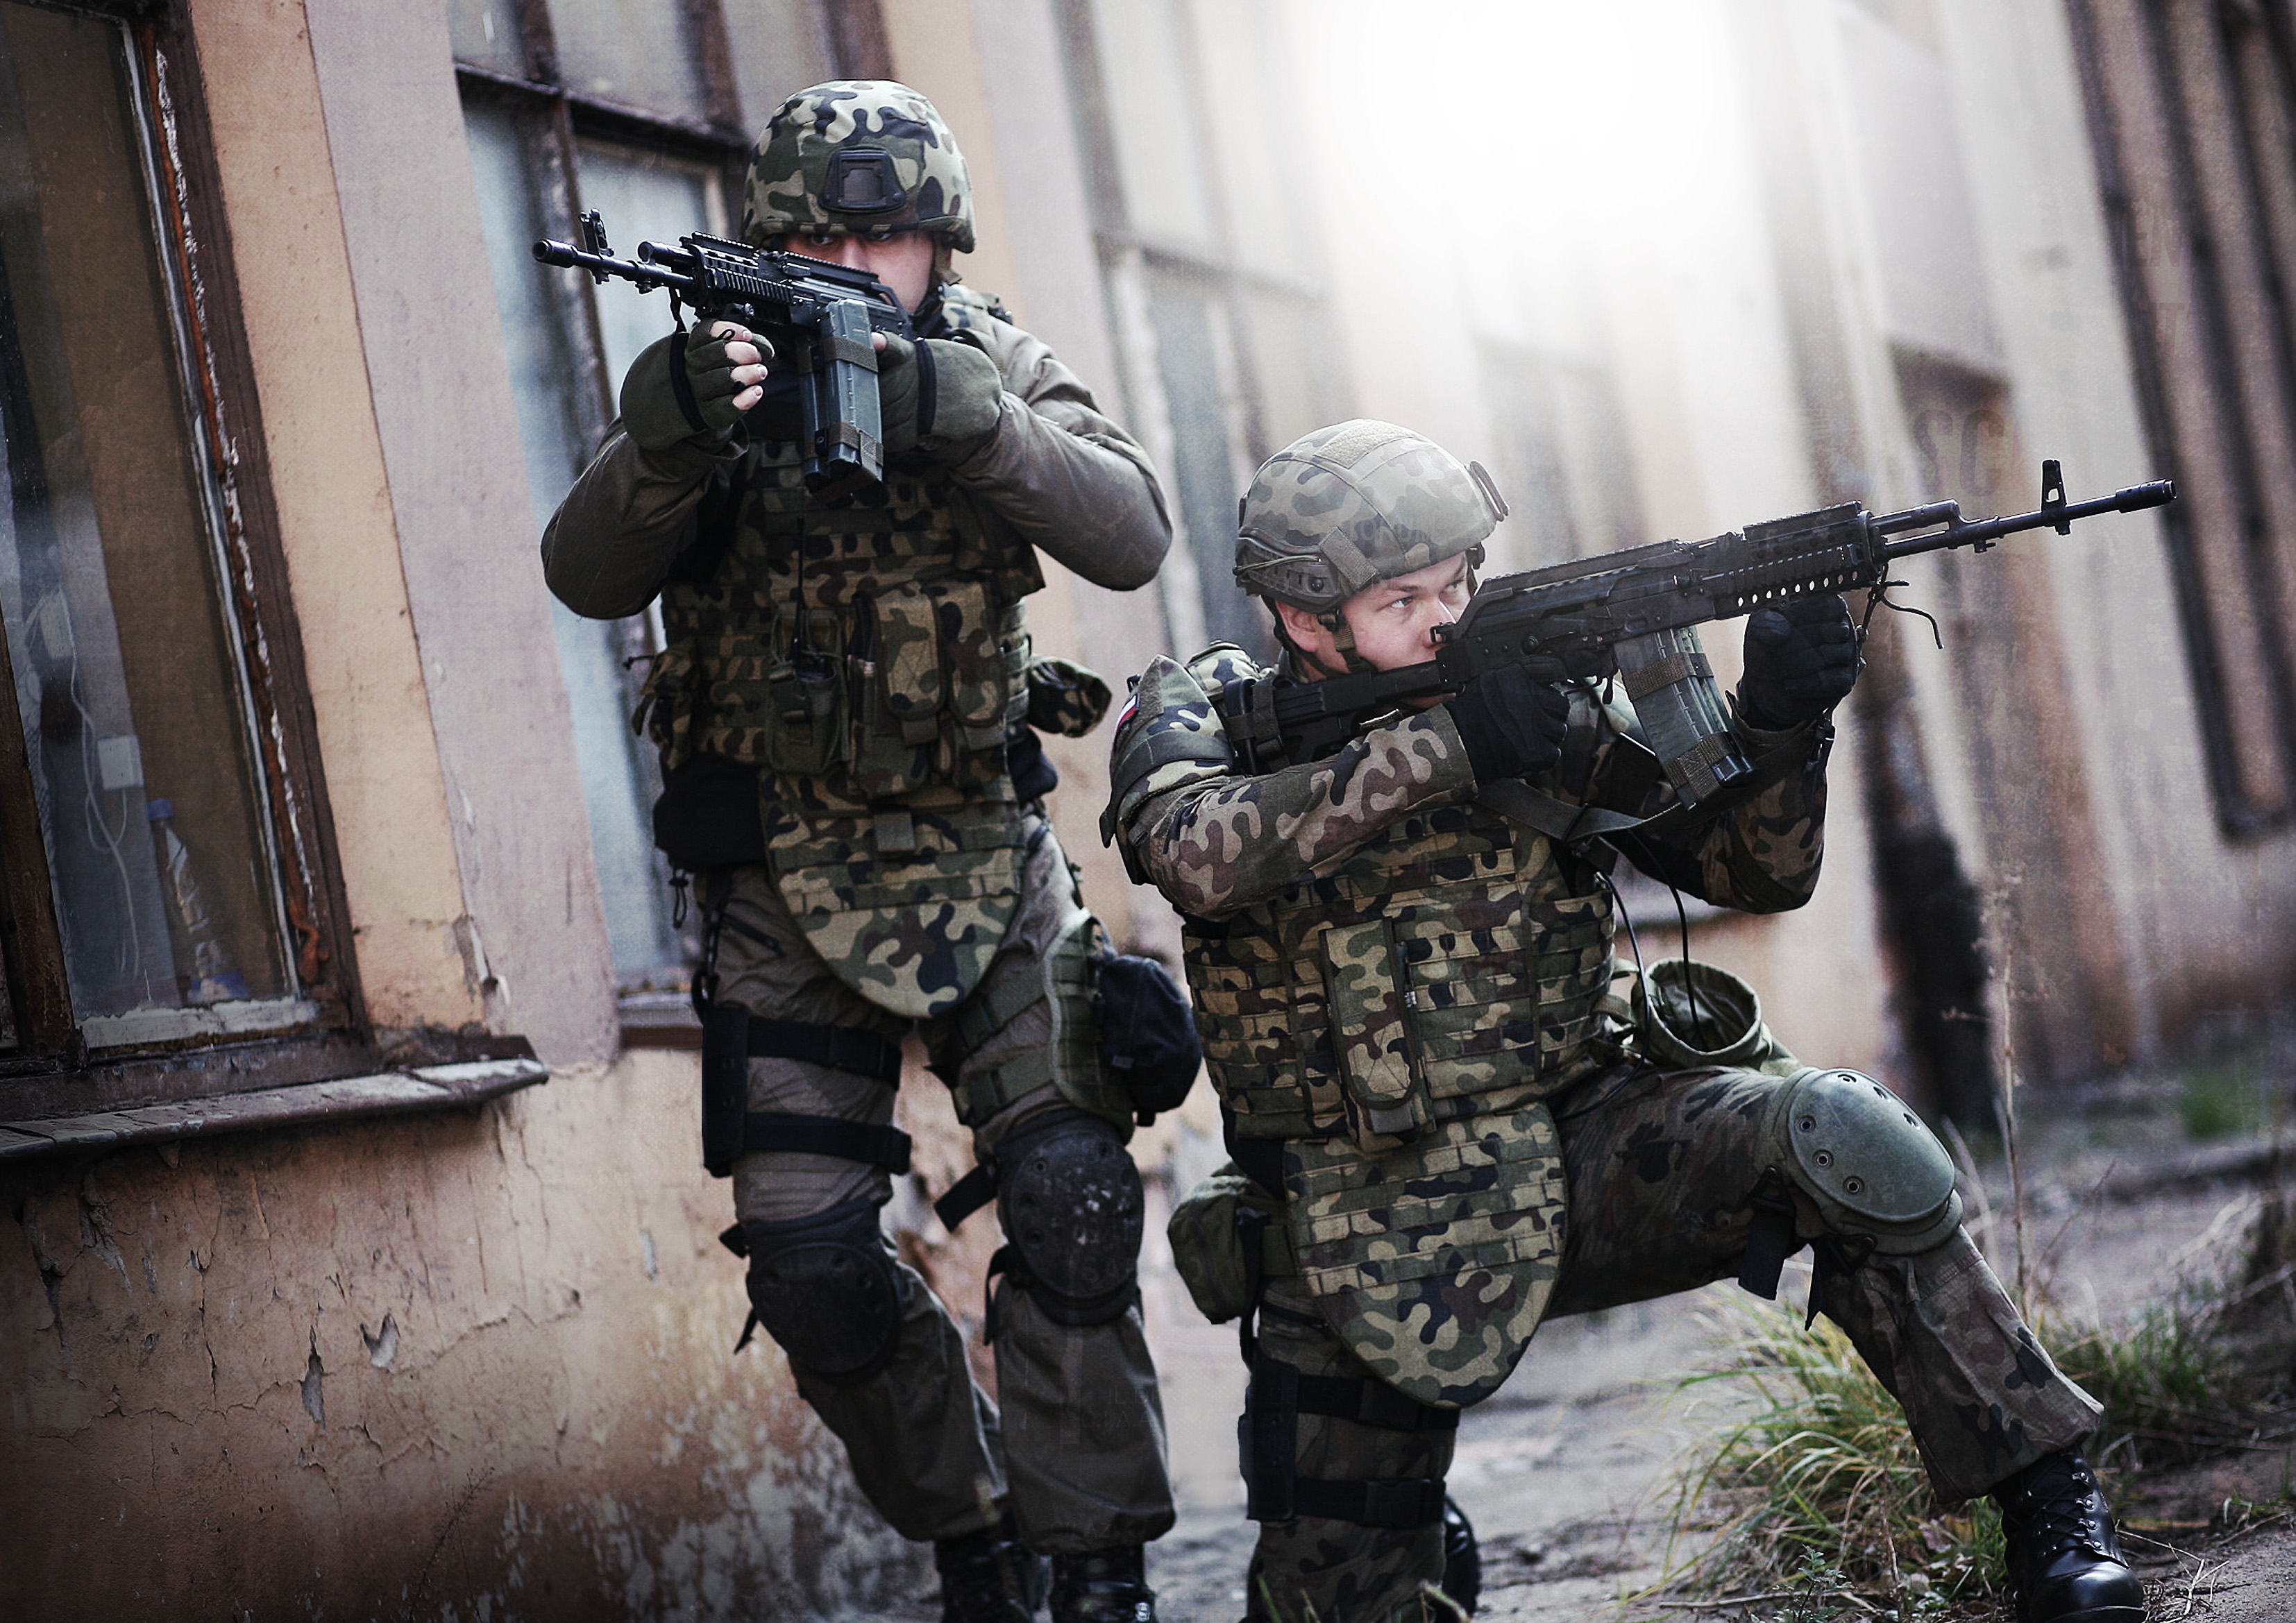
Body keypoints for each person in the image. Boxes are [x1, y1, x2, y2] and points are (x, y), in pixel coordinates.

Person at [1103, 420, 2143, 1623]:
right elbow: (1193, 853)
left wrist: (1779, 724)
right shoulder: (1204, 710)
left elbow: (1750, 873)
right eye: (1403, 602)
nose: (1446, 621)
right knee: (1333, 1604)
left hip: (1588, 1144)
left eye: (1459, 584)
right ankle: (1413, 1538)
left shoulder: (1531, 704)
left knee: (1840, 1136)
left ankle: (2052, 1513)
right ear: (1302, 618)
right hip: (1358, 1214)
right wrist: (1448, 747)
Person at [543, 80, 1174, 1623]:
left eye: (879, 237)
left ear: (938, 244)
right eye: (817, 238)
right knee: (812, 1265)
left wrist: (971, 419)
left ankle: (1097, 1565)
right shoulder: (720, 374)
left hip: (987, 856)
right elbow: (586, 572)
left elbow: (1131, 531)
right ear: (771, 241)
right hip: (779, 878)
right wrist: (669, 435)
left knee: (1076, 1194)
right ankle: (979, 1536)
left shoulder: (992, 357)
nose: (848, 263)